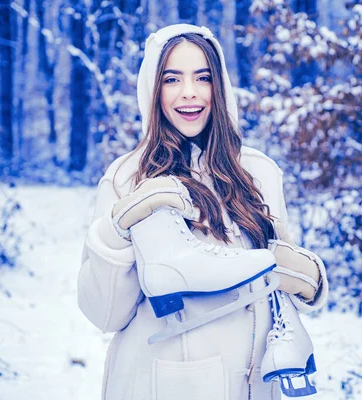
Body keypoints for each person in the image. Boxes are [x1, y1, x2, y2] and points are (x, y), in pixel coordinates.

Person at [78, 24, 328, 400]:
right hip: (164, 384)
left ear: (220, 86)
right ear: (153, 89)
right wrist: (118, 226)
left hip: (256, 386)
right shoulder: (127, 176)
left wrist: (305, 276)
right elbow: (105, 314)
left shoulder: (257, 171)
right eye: (172, 79)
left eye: (202, 77)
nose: (189, 92)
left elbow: (281, 279)